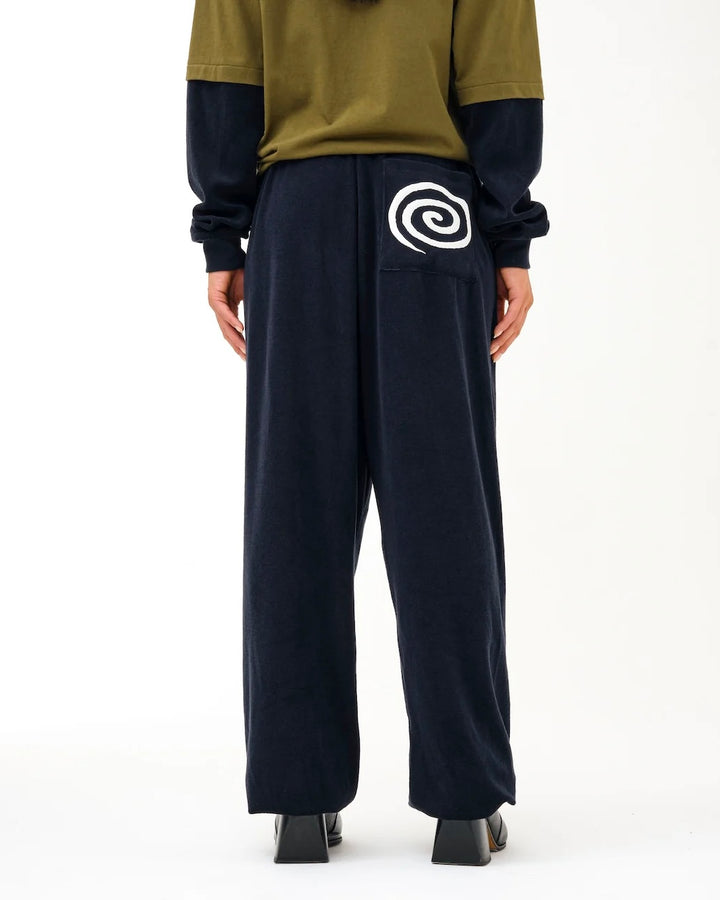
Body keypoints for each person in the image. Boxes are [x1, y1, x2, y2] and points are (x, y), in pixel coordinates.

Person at [185, 0, 549, 866]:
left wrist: (222, 234)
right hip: (431, 210)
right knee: (446, 510)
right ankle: (465, 804)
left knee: (295, 508)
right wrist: (510, 237)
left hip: (297, 215)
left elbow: (226, 79)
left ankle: (300, 800)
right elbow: (500, 80)